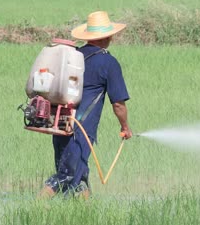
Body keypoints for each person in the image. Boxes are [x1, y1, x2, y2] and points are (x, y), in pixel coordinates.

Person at [39, 11, 132, 199]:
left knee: (80, 176)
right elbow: (119, 105)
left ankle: (87, 214)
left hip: (60, 124)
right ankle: (36, 207)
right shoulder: (109, 63)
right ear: (107, 36)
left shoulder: (75, 56)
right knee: (66, 175)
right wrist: (125, 127)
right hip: (81, 130)